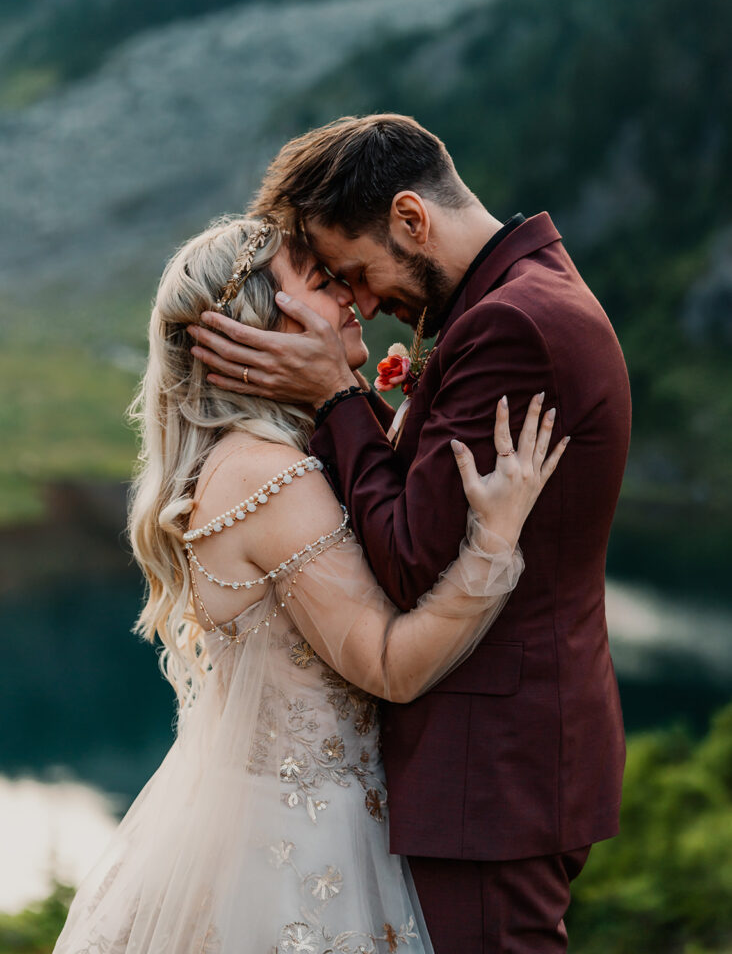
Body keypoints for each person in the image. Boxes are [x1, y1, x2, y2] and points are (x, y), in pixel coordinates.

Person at [53, 216, 565, 953]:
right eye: (321, 284)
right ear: (261, 326)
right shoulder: (271, 473)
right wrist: (495, 540)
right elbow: (391, 665)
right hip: (302, 848)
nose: (351, 298)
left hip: (261, 821)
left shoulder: (247, 459)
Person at [188, 114, 633, 953]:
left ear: (411, 219)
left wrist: (334, 399)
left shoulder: (514, 328)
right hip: (497, 764)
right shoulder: (518, 297)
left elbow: (410, 568)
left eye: (355, 271)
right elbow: (434, 510)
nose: (359, 302)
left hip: (487, 769)